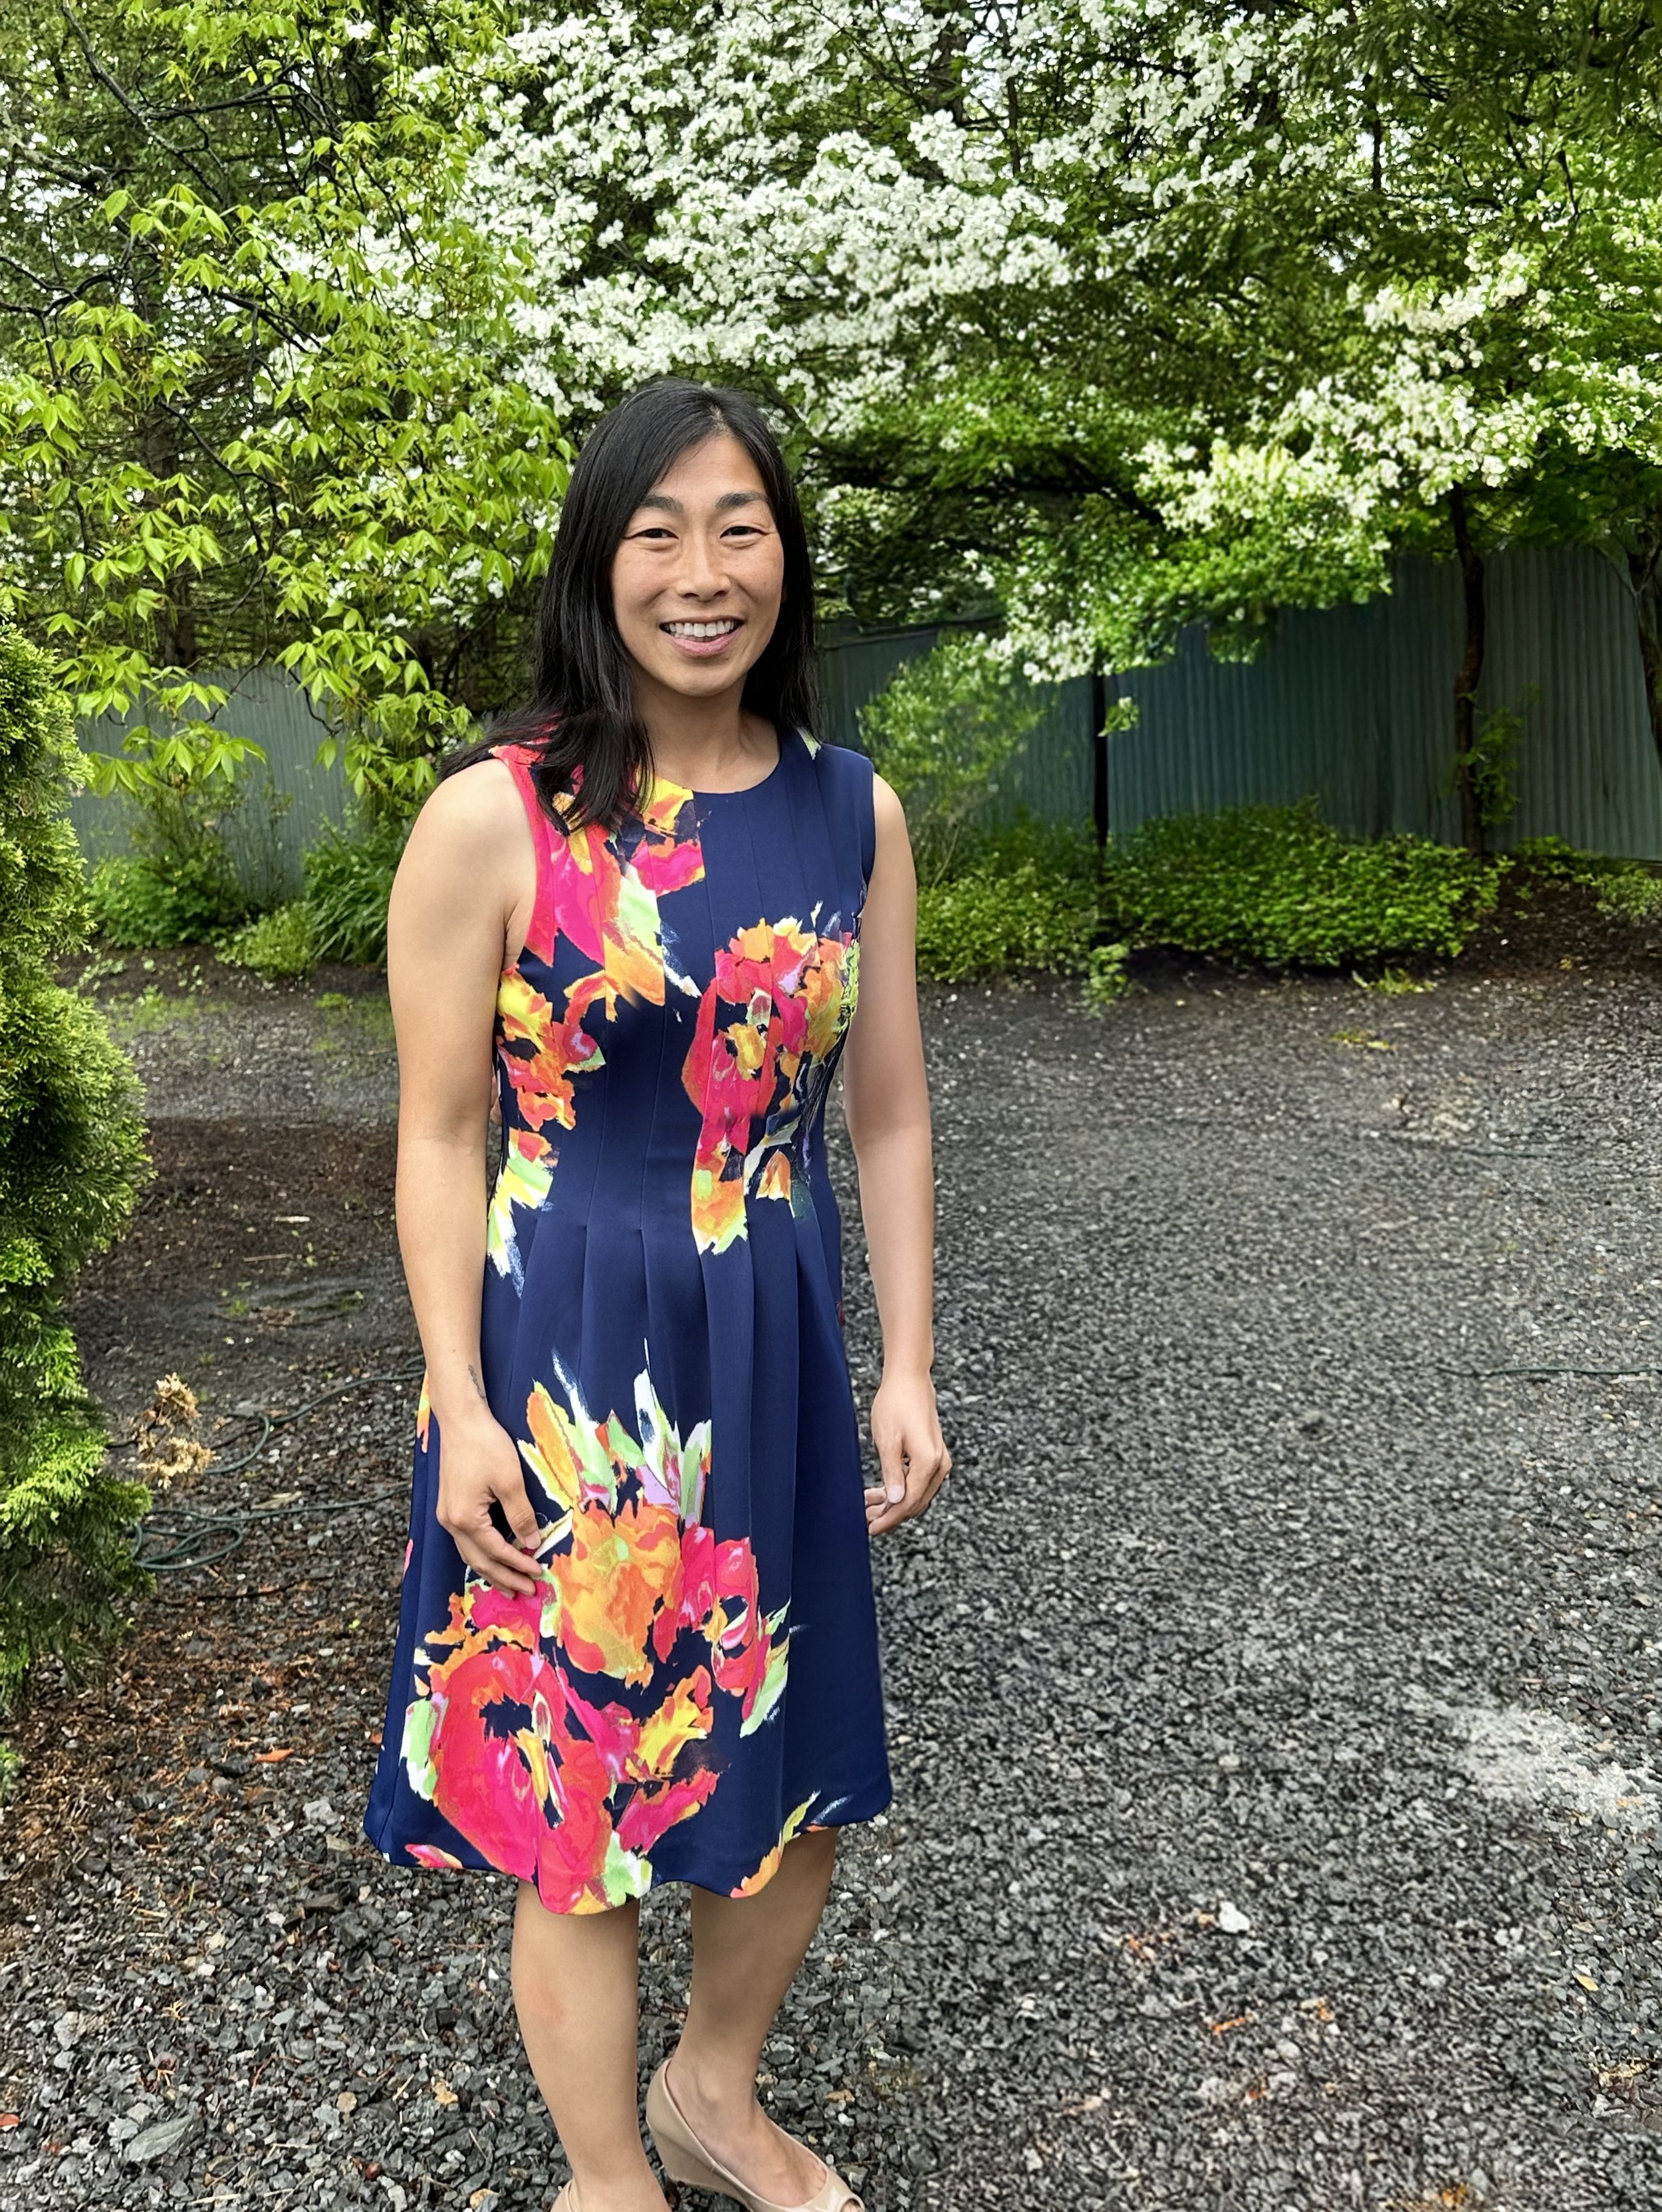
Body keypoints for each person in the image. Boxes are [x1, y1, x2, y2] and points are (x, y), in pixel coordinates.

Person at [362, 376, 949, 2212]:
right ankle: (604, 2176)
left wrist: (907, 1365)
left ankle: (712, 2091)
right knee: (584, 1804)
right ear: (595, 567)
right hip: (565, 1364)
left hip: (772, 1339)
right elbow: (439, 1135)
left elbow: (889, 1109)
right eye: (657, 533)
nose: (704, 574)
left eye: (740, 528)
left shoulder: (853, 811)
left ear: (787, 557)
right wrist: (458, 1403)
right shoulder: (497, 816)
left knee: (786, 1762)